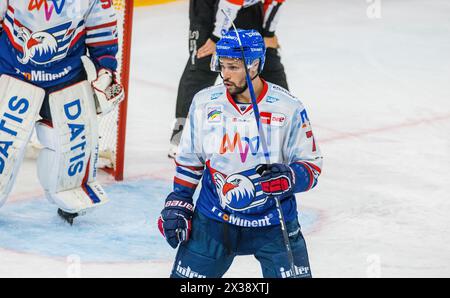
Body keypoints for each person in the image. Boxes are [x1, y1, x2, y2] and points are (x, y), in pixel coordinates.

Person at [158, 29, 323, 278]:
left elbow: (312, 165)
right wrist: (179, 200)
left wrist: (290, 176)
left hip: (273, 223)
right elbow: (191, 161)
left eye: (233, 67)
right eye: (222, 66)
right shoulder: (205, 102)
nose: (225, 74)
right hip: (213, 220)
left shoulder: (288, 107)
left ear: (255, 65)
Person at [0, 0, 124, 224]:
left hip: (65, 77)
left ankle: (68, 196)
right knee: (4, 139)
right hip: (11, 70)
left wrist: (105, 70)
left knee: (69, 144)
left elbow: (101, 27)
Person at [169, 0, 288, 158]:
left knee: (265, 61)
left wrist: (268, 34)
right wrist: (216, 36)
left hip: (248, 8)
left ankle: (285, 129)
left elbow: (274, 2)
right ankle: (183, 135)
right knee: (202, 64)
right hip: (209, 8)